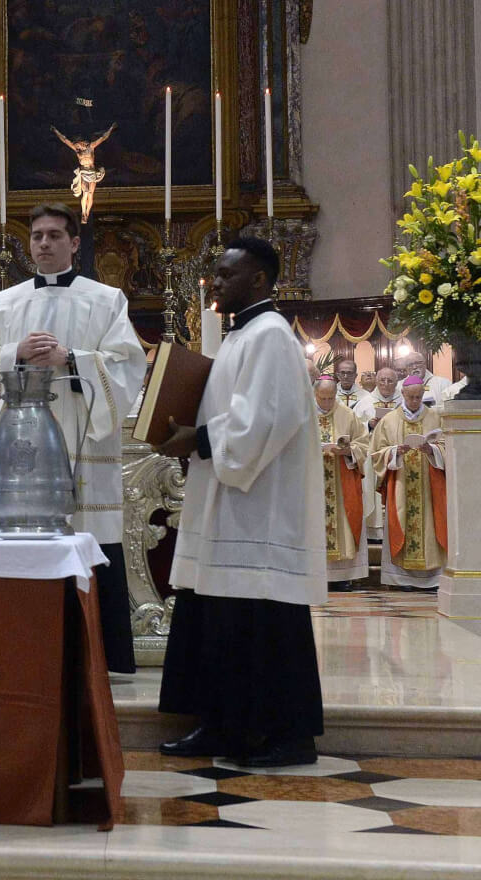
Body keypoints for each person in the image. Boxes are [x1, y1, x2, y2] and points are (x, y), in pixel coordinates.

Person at [155, 237, 326, 767]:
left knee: (262, 620)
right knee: (219, 617)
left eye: (227, 274)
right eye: (215, 272)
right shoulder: (240, 335)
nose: (215, 281)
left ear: (259, 279)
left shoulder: (270, 335)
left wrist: (200, 439)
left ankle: (287, 737)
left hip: (260, 505)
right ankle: (221, 726)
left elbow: (268, 418)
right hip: (228, 497)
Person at [0, 202, 147, 673]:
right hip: (25, 444)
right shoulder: (3, 304)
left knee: (91, 535)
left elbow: (127, 365)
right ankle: (27, 654)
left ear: (74, 243)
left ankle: (100, 659)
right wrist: (15, 352)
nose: (43, 243)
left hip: (85, 443)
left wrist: (71, 358)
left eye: (54, 235)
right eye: (37, 236)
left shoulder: (106, 300)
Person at [369, 375, 446, 589]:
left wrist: (432, 450)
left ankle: (431, 579)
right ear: (402, 393)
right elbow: (376, 452)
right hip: (400, 484)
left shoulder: (436, 418)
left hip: (429, 487)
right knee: (401, 522)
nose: (414, 401)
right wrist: (395, 452)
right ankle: (402, 579)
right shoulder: (389, 420)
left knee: (431, 528)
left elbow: (448, 447)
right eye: (411, 397)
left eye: (418, 397)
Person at [316, 376, 370, 590]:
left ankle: (342, 577)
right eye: (323, 398)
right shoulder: (305, 414)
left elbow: (363, 444)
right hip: (314, 484)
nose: (327, 403)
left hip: (341, 482)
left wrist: (348, 451)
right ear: (315, 395)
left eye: (331, 398)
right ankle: (316, 574)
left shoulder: (347, 414)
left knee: (344, 524)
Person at [352, 366, 401, 542]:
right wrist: (369, 425)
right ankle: (374, 531)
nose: (386, 384)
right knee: (371, 490)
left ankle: (396, 527)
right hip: (372, 455)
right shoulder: (365, 402)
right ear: (376, 381)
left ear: (396, 382)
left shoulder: (404, 401)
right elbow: (354, 430)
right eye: (382, 380)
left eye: (390, 381)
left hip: (396, 454)